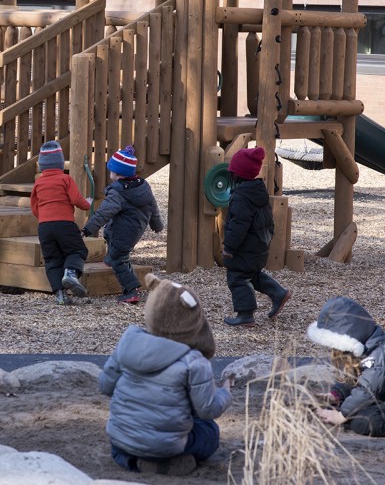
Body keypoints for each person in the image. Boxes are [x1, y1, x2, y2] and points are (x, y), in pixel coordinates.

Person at [99, 274, 232, 476]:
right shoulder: (194, 361)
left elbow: (105, 387)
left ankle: (134, 461)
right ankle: (166, 461)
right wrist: (225, 393)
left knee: (125, 443)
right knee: (208, 430)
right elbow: (207, 409)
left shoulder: (128, 342)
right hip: (167, 446)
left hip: (122, 440)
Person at [308, 296, 385, 437]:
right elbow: (359, 381)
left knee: (363, 422)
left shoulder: (379, 353)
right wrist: (336, 395)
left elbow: (368, 390)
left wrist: (341, 415)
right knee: (354, 412)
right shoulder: (367, 347)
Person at [81, 145, 162, 304]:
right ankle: (111, 259)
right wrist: (157, 224)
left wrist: (87, 229)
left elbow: (103, 213)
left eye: (111, 171)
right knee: (114, 246)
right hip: (135, 230)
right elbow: (153, 206)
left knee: (120, 259)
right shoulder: (143, 186)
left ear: (117, 174)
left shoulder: (117, 192)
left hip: (122, 232)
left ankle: (131, 290)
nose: (109, 173)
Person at [221, 146, 290, 327]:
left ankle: (245, 315)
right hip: (259, 245)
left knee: (237, 277)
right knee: (251, 274)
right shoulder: (258, 192)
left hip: (245, 247)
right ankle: (278, 293)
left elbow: (238, 226)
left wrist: (229, 248)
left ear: (237, 174)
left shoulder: (241, 197)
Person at [30, 141, 92, 305]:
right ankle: (71, 273)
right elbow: (75, 199)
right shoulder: (65, 179)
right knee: (77, 249)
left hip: (44, 227)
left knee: (52, 259)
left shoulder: (38, 183)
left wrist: (43, 218)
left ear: (42, 165)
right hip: (64, 224)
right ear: (60, 162)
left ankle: (60, 294)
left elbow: (34, 206)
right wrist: (88, 204)